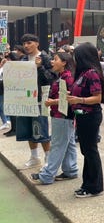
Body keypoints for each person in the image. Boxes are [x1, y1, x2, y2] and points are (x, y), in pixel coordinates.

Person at [31, 52, 79, 184]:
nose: (52, 62)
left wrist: (52, 102)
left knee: (57, 145)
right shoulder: (62, 76)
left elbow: (68, 98)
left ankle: (47, 175)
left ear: (64, 62)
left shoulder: (67, 78)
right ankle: (71, 170)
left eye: (55, 59)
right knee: (68, 144)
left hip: (62, 115)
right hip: (62, 116)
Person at [67, 42, 104, 197]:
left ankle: (94, 186)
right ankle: (87, 183)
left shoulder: (91, 73)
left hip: (90, 115)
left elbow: (97, 98)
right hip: (82, 115)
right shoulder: (82, 73)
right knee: (86, 151)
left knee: (90, 151)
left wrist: (78, 99)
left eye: (76, 55)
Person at [17, 34, 56, 168]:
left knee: (41, 128)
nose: (26, 46)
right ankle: (34, 157)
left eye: (29, 43)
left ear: (37, 43)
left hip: (41, 99)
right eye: (24, 44)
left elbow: (51, 78)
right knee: (28, 128)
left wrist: (40, 67)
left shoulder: (46, 58)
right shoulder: (23, 59)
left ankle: (48, 157)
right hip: (25, 98)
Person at [2, 51, 24, 137]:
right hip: (9, 91)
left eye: (8, 58)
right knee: (11, 111)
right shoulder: (7, 66)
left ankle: (15, 129)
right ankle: (13, 128)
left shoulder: (16, 67)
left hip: (15, 92)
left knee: (14, 112)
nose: (6, 60)